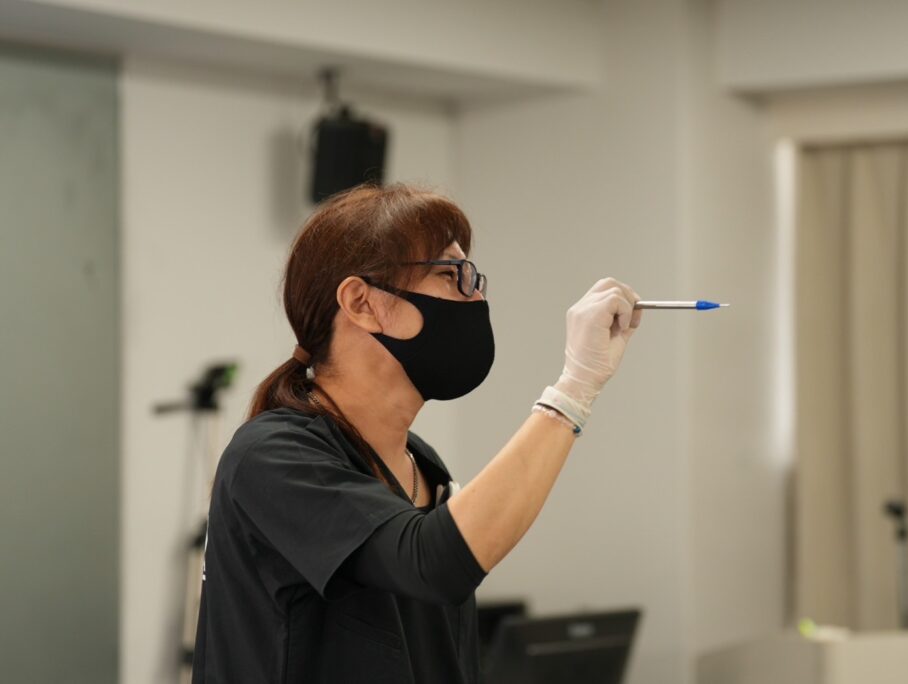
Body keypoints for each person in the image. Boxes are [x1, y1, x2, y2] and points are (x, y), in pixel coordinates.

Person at [191, 183, 643, 683]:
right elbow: (433, 561)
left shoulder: (422, 465)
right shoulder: (272, 455)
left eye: (473, 277)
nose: (475, 297)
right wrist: (574, 389)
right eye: (450, 275)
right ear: (361, 302)